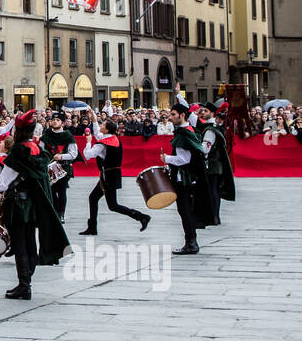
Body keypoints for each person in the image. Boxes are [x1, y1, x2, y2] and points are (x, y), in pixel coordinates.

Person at [0, 110, 71, 300]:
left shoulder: (19, 151)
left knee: (20, 245)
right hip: (33, 204)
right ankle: (27, 281)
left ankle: (24, 285)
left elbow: (4, 182)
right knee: (30, 242)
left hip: (17, 204)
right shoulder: (38, 149)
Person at [80, 118, 150, 236]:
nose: (101, 126)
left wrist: (88, 142)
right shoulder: (112, 138)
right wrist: (94, 120)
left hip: (108, 176)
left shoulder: (104, 143)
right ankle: (92, 227)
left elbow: (88, 155)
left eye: (103, 124)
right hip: (111, 174)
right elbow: (98, 134)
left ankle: (142, 217)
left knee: (113, 205)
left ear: (106, 130)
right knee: (93, 198)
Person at [160, 104, 212, 256]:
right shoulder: (189, 131)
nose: (171, 117)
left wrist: (167, 158)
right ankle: (191, 241)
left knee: (184, 210)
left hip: (183, 178)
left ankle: (191, 242)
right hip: (188, 177)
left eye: (174, 114)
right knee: (186, 210)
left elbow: (184, 159)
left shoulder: (183, 134)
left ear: (182, 115)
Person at [198, 102, 235, 225]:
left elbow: (205, 148)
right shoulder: (216, 128)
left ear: (214, 115)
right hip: (217, 164)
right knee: (215, 191)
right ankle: (215, 216)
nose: (203, 113)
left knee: (212, 190)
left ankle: (214, 216)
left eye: (206, 111)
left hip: (213, 164)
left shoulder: (210, 130)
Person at [40, 113, 78, 223]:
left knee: (62, 191)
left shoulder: (68, 136)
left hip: (63, 168)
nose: (55, 121)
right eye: (53, 120)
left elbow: (73, 154)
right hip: (48, 168)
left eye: (58, 120)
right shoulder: (46, 135)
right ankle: (55, 212)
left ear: (63, 123)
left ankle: (61, 214)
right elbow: (40, 151)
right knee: (51, 191)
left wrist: (61, 156)